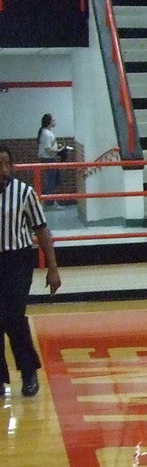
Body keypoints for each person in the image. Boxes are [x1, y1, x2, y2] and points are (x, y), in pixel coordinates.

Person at [0, 144, 62, 398]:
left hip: (17, 260)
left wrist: (53, 268)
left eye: (6, 164)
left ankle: (28, 372)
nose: (2, 169)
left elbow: (42, 231)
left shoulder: (24, 192)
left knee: (13, 316)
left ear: (11, 166)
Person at [36, 114, 61, 200]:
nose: (55, 122)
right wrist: (59, 150)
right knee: (51, 180)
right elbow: (48, 149)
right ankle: (49, 200)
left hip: (49, 158)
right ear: (49, 122)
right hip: (48, 159)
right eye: (53, 120)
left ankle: (50, 199)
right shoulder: (46, 134)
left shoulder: (46, 132)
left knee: (55, 179)